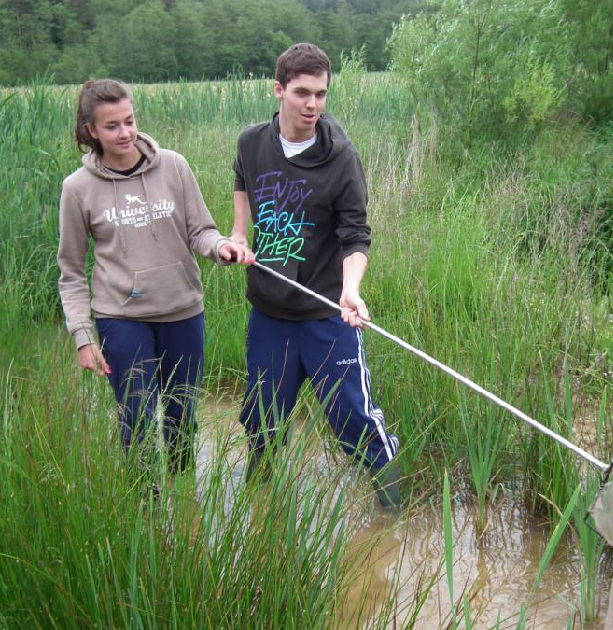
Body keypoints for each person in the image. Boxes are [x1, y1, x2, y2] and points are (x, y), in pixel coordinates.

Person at [230, 44, 401, 509]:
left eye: (321, 94)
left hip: (327, 313)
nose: (312, 105)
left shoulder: (341, 157)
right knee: (261, 421)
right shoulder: (252, 142)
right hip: (269, 313)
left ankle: (393, 513)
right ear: (279, 89)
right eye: (302, 93)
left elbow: (355, 235)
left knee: (355, 421)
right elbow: (242, 180)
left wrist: (351, 291)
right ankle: (259, 504)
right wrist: (239, 234)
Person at [57, 78, 254, 475]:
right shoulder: (77, 189)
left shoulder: (173, 166)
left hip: (182, 310)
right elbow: (71, 272)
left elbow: (201, 231)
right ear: (91, 131)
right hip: (121, 317)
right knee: (137, 420)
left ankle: (183, 498)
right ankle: (145, 506)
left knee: (183, 415)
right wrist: (83, 337)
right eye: (112, 126)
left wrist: (221, 248)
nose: (125, 132)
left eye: (129, 120)